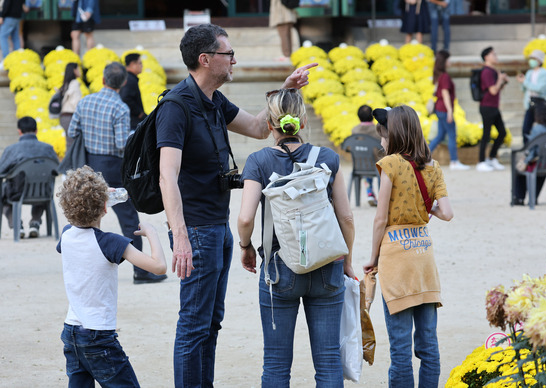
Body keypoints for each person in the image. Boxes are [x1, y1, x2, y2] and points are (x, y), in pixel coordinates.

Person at [155, 23, 315, 387]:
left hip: (217, 228)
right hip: (195, 230)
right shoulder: (176, 107)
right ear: (205, 59)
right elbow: (168, 176)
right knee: (193, 326)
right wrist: (179, 236)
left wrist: (286, 89)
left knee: (210, 324)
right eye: (228, 55)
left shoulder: (213, 101)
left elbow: (260, 129)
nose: (235, 61)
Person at [237, 88, 355, 386]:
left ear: (269, 125)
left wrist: (246, 246)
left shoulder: (258, 161)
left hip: (280, 269)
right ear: (303, 121)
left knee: (276, 364)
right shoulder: (328, 158)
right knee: (328, 360)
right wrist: (347, 261)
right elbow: (346, 217)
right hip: (327, 266)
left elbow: (246, 218)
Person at [363, 105, 453, 388]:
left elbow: (380, 219)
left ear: (395, 135)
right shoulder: (433, 167)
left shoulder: (390, 164)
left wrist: (372, 257)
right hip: (423, 256)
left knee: (400, 348)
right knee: (429, 345)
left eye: (384, 135)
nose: (381, 141)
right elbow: (448, 213)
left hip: (396, 257)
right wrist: (427, 209)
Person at [56, 166, 167, 387]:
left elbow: (83, 218)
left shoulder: (66, 235)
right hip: (99, 336)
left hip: (71, 332)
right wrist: (152, 233)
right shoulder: (111, 242)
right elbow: (159, 266)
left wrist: (103, 200)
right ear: (105, 207)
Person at [68, 62, 167, 285]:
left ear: (102, 79)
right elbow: (121, 144)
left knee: (85, 215)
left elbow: (73, 131)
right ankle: (141, 271)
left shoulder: (85, 102)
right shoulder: (120, 108)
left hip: (90, 165)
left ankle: (83, 264)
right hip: (114, 167)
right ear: (123, 83)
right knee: (129, 218)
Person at [0, 116, 59, 238]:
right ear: (36, 130)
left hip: (17, 192)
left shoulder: (12, 149)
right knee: (42, 184)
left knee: (3, 193)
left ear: (19, 131)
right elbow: (57, 169)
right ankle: (35, 222)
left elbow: (1, 171)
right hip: (44, 193)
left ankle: (16, 225)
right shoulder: (48, 148)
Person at [429, 50, 470, 170]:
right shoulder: (445, 76)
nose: (450, 61)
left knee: (440, 136)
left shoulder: (439, 75)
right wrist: (450, 112)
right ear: (444, 62)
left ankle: (423, 156)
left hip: (439, 108)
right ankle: (454, 161)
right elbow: (445, 94)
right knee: (452, 134)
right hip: (444, 109)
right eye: (448, 59)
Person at [512, 100, 546, 206]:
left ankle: (519, 197)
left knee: (522, 167)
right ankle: (535, 197)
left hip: (539, 164)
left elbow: (531, 148)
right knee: (542, 170)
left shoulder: (538, 128)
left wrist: (525, 158)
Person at [476, 46, 508, 172]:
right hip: (487, 107)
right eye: (493, 54)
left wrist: (503, 81)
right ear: (486, 57)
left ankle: (492, 157)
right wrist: (500, 79)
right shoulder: (487, 71)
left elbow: (497, 89)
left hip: (493, 106)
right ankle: (481, 161)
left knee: (502, 132)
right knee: (486, 134)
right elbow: (493, 90)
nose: (496, 56)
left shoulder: (493, 71)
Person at [516, 49, 546, 145]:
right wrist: (522, 82)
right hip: (530, 102)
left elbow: (540, 88)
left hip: (541, 103)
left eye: (534, 58)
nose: (531, 61)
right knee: (526, 128)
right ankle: (527, 149)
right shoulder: (529, 72)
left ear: (539, 61)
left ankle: (543, 148)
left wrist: (525, 82)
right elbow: (525, 89)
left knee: (543, 128)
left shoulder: (544, 72)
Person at [351, 104, 385, 205]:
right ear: (372, 116)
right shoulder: (378, 129)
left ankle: (370, 193)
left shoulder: (354, 130)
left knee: (366, 162)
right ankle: (382, 197)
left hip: (360, 164)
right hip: (378, 164)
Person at [120, 53, 147, 131]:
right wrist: (139, 113)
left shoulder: (128, 78)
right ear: (132, 64)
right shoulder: (130, 80)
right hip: (132, 123)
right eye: (140, 63)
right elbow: (125, 98)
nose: (142, 66)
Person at [59, 62, 82, 150]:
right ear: (74, 71)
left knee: (69, 144)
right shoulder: (75, 83)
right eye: (78, 69)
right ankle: (71, 164)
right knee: (74, 146)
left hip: (64, 117)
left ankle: (68, 163)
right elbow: (76, 103)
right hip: (71, 116)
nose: (79, 71)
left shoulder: (66, 84)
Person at [0, 0, 29, 69]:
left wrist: (1, 16)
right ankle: (18, 60)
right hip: (17, 17)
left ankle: (6, 61)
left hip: (9, 16)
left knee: (2, 36)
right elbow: (23, 5)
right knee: (15, 38)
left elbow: (7, 4)